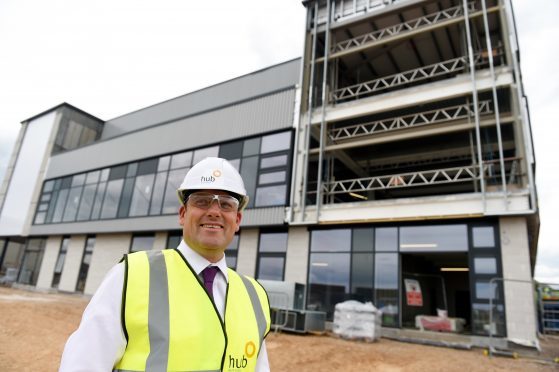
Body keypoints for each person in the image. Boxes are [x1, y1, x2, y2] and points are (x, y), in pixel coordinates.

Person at [60, 157, 271, 372]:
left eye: (226, 204)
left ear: (237, 220)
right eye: (202, 201)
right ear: (182, 214)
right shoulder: (131, 276)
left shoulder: (255, 296)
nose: (214, 211)